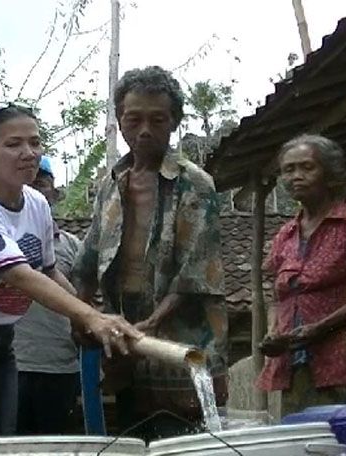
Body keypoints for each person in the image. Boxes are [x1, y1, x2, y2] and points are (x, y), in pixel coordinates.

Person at [0, 102, 141, 438]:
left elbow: (48, 271)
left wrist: (87, 314)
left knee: (4, 442)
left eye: (35, 142)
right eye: (13, 144)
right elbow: (19, 274)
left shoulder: (36, 204)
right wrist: (91, 318)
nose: (28, 153)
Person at [71, 66, 227, 441]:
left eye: (157, 120)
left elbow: (195, 272)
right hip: (125, 334)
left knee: (182, 438)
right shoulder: (111, 182)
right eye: (133, 118)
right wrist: (80, 316)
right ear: (120, 121)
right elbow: (89, 258)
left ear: (173, 122)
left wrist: (152, 324)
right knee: (131, 435)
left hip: (178, 334)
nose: (144, 130)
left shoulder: (194, 183)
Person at [256, 135, 346, 416]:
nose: (296, 176)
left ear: (329, 173)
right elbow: (276, 296)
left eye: (307, 167)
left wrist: (322, 327)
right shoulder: (286, 235)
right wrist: (273, 331)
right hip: (297, 368)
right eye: (288, 170)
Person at [13, 156, 83, 435]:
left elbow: (83, 301)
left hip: (59, 366)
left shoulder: (71, 246)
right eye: (25, 183)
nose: (33, 190)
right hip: (9, 364)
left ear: (54, 193)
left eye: (40, 184)